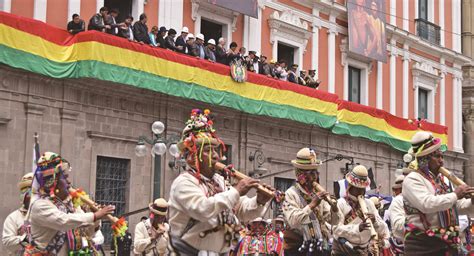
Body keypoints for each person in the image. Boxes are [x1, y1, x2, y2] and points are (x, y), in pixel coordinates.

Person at [168, 109, 273, 255]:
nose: (216, 156)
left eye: (215, 150)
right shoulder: (183, 183)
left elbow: (241, 210)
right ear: (192, 157)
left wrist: (259, 201)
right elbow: (203, 209)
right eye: (208, 151)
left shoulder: (219, 181)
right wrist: (236, 191)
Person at [24, 152, 115, 255]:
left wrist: (96, 217)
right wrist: (95, 215)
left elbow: (86, 232)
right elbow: (64, 221)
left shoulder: (69, 205)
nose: (69, 182)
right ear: (54, 182)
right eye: (65, 177)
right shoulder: (40, 205)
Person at [403, 131, 474, 255]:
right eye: (437, 157)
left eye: (442, 156)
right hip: (421, 245)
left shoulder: (444, 180)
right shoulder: (412, 179)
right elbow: (426, 204)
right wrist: (456, 194)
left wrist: (471, 202)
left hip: (446, 243)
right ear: (424, 159)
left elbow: (456, 206)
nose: (441, 161)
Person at [282, 147, 340, 255]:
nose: (315, 176)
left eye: (316, 172)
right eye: (311, 172)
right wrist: (312, 205)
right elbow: (293, 221)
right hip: (298, 248)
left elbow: (334, 221)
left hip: (319, 247)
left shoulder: (317, 194)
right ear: (301, 175)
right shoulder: (290, 194)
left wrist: (334, 208)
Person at [332, 165, 390, 256]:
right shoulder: (340, 203)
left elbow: (384, 230)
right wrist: (357, 228)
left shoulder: (369, 204)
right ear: (350, 186)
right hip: (343, 249)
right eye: (357, 188)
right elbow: (335, 229)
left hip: (364, 250)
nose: (361, 191)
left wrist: (375, 222)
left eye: (363, 188)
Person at [2, 173, 33, 255]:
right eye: (27, 194)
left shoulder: (46, 215)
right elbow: (7, 241)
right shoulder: (13, 217)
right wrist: (26, 239)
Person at [387, 174, 406, 255]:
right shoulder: (398, 200)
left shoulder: (399, 200)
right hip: (403, 244)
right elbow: (398, 227)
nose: (395, 192)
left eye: (396, 190)